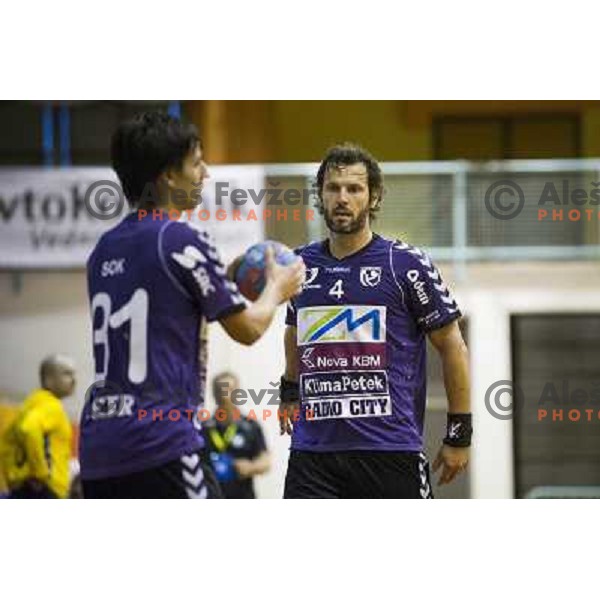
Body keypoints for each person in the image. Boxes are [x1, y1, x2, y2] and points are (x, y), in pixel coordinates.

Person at [80, 112, 304, 499]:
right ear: (169, 175)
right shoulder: (181, 238)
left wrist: (223, 280)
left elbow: (164, 309)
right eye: (197, 162)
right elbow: (248, 329)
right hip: (160, 443)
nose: (206, 174)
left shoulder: (103, 249)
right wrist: (276, 288)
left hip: (99, 450)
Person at [279, 143, 471, 499]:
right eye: (333, 188)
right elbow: (294, 328)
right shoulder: (298, 264)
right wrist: (290, 388)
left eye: (354, 189)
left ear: (374, 197)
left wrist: (459, 434)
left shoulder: (406, 264)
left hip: (390, 452)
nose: (342, 198)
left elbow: (452, 345)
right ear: (320, 194)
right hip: (313, 457)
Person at [0, 355, 75, 499]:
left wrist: (12, 476)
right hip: (46, 489)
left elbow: (6, 441)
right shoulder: (52, 406)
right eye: (67, 374)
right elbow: (30, 429)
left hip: (26, 486)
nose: (73, 380)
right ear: (48, 379)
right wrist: (40, 473)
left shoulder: (29, 404)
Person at [203, 371, 271, 499]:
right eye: (220, 390)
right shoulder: (203, 428)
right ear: (214, 394)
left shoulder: (250, 426)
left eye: (230, 390)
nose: (225, 395)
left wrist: (251, 467)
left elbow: (266, 461)